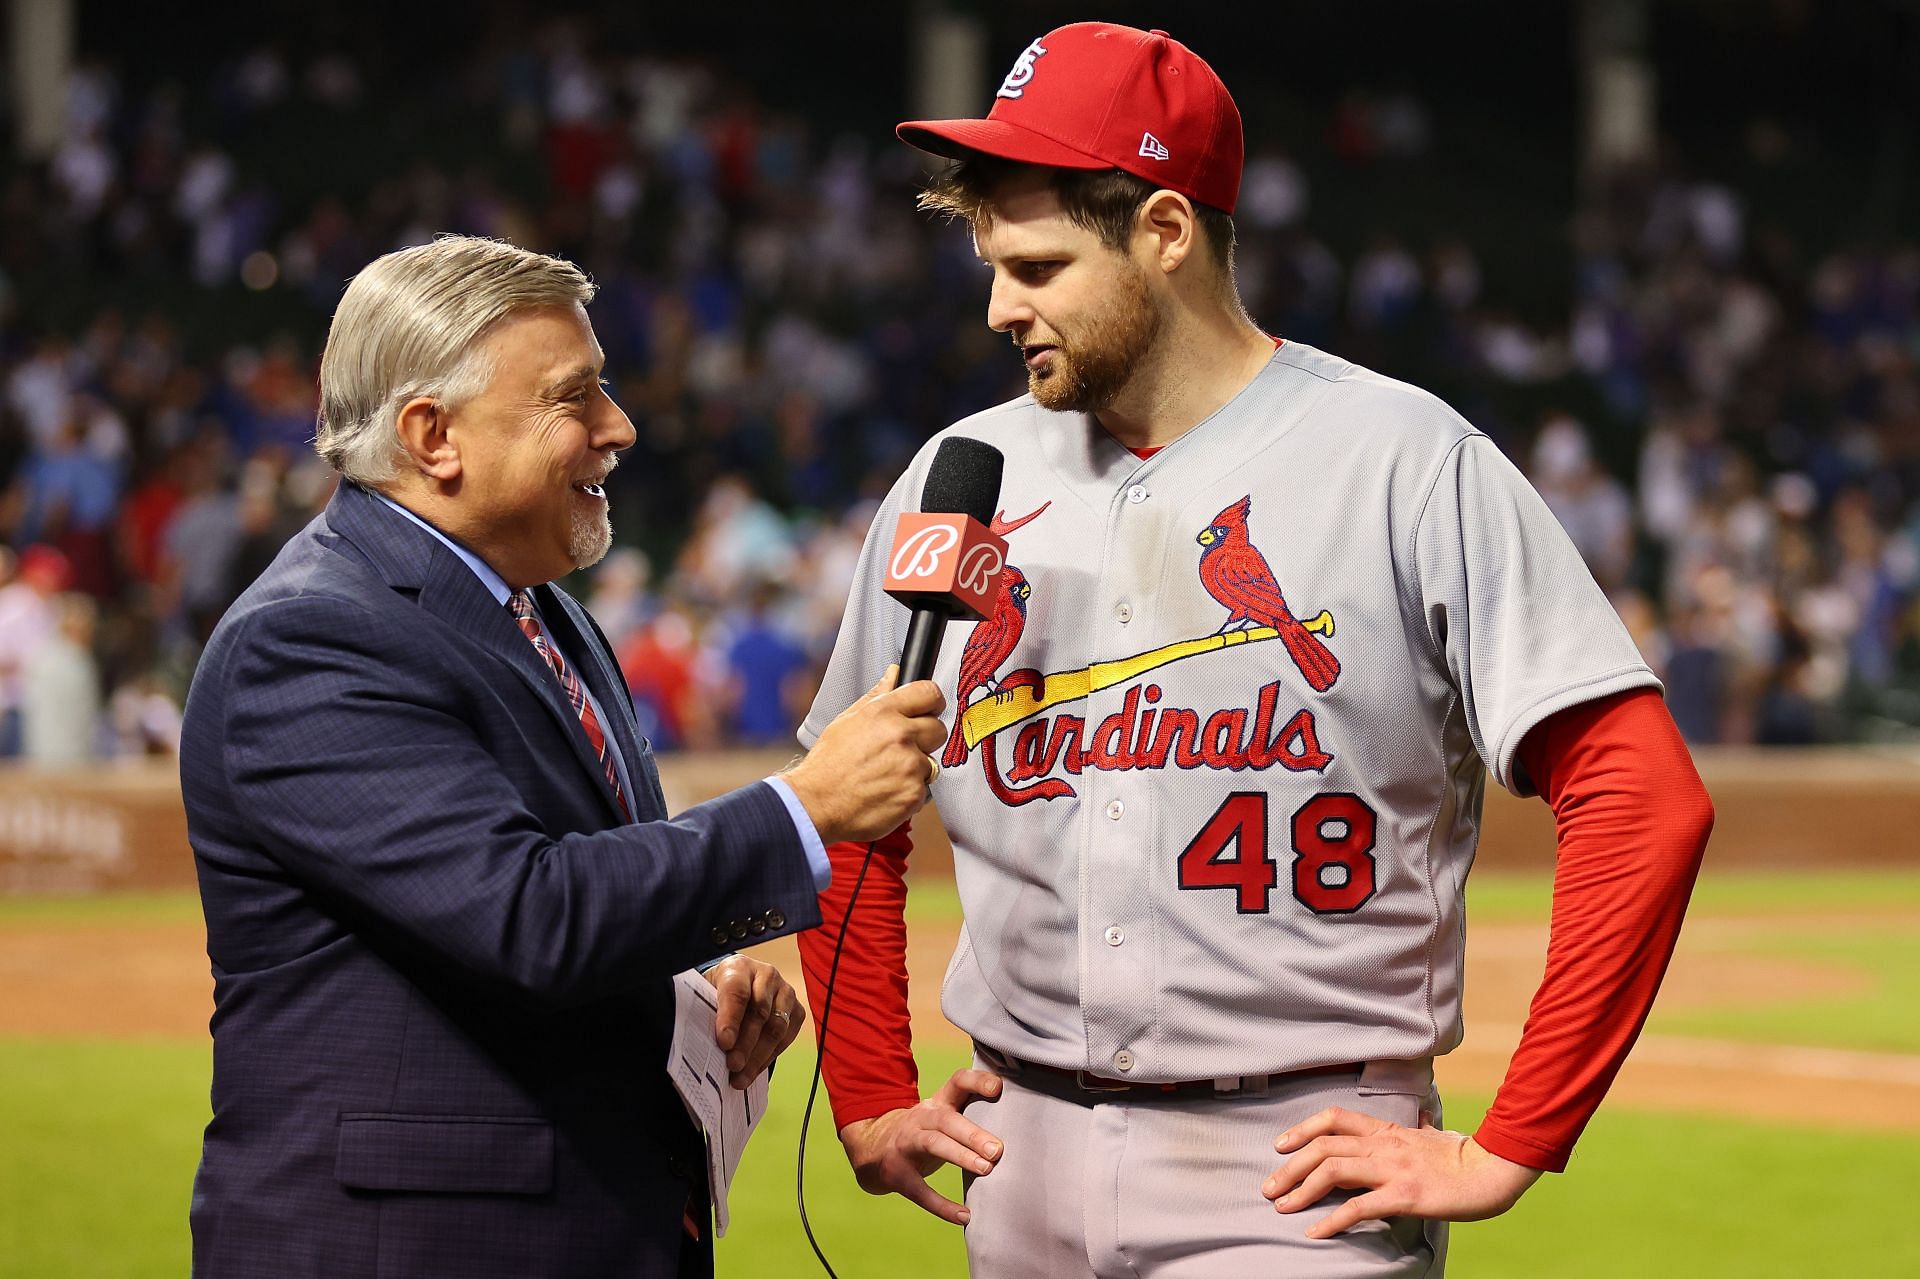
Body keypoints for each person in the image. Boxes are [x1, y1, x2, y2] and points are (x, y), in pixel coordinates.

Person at [794, 23, 1714, 1278]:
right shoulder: (958, 480)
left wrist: (1514, 1140)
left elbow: (1639, 794)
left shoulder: (1401, 462)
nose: (1002, 304)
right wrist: (862, 1086)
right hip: (1012, 1158)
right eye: (996, 263)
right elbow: (854, 807)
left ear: (1166, 231)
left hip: (1291, 1180)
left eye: (1043, 265)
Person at [179, 235, 949, 1279]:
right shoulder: (313, 636)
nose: (618, 426)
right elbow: (528, 914)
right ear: (431, 433)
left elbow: (559, 883)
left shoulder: (541, 610)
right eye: (573, 396)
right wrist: (803, 807)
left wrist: (698, 975)